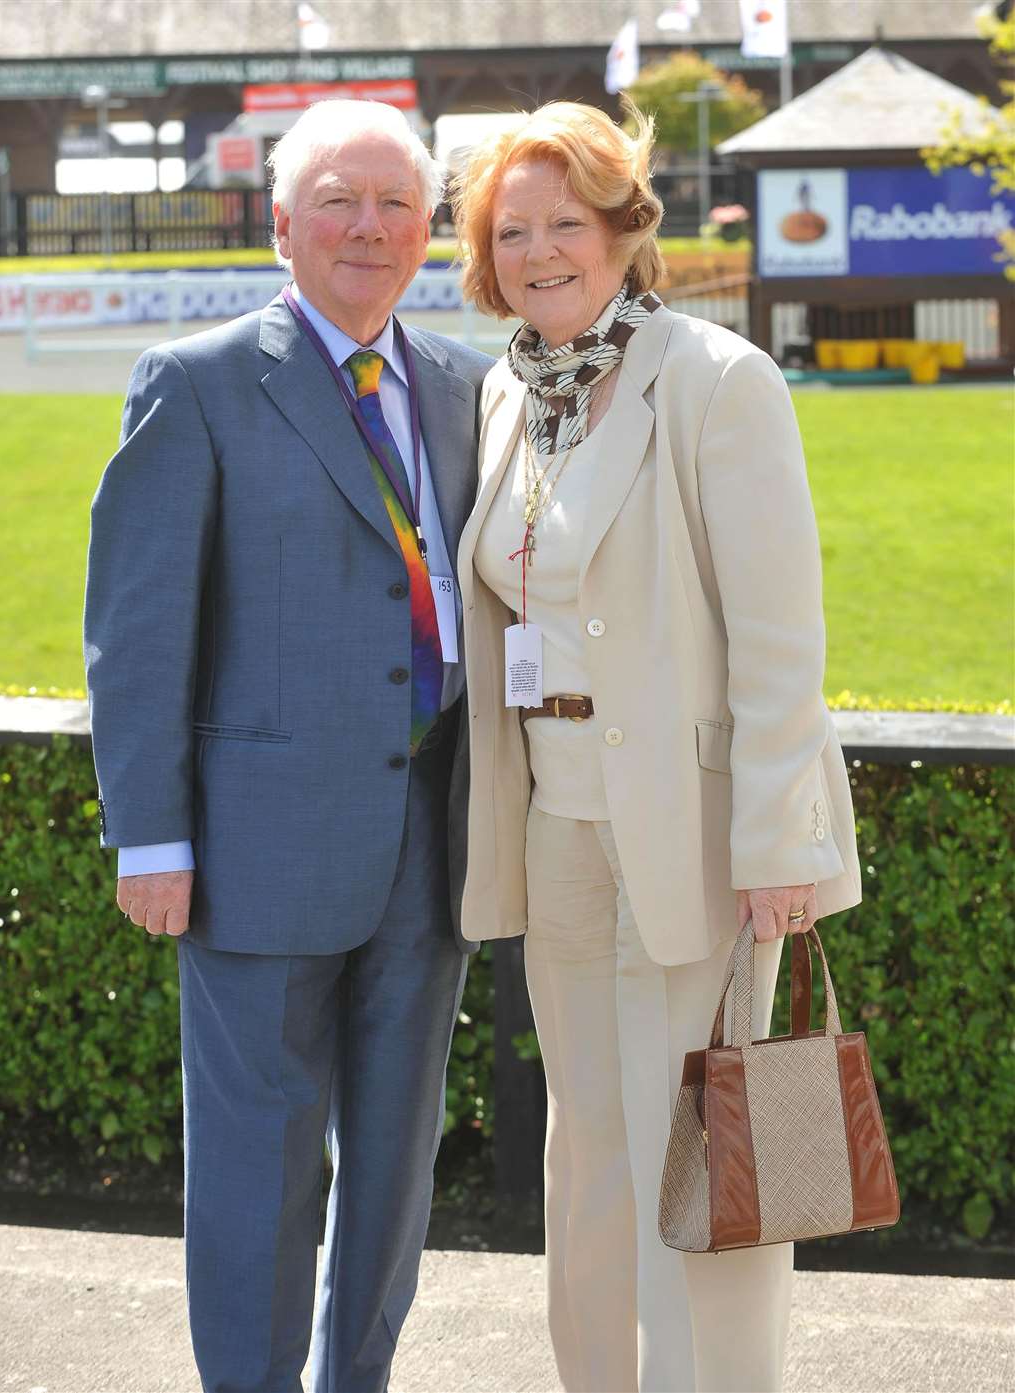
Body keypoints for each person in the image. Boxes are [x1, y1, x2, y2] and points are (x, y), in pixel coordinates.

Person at [451, 101, 862, 1393]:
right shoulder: (507, 395)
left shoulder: (716, 379)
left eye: (565, 221)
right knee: (588, 1154)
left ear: (626, 227)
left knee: (707, 1148)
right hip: (560, 830)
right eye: (511, 230)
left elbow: (781, 640)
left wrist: (781, 847)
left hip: (694, 832)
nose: (539, 251)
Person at [84, 100, 492, 1393]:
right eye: (338, 200)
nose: (367, 228)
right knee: (259, 1168)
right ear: (281, 224)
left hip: (433, 846)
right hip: (259, 852)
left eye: (395, 206)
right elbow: (138, 632)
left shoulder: (466, 387)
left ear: (428, 232)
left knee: (394, 1165)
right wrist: (150, 835)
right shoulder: (198, 384)